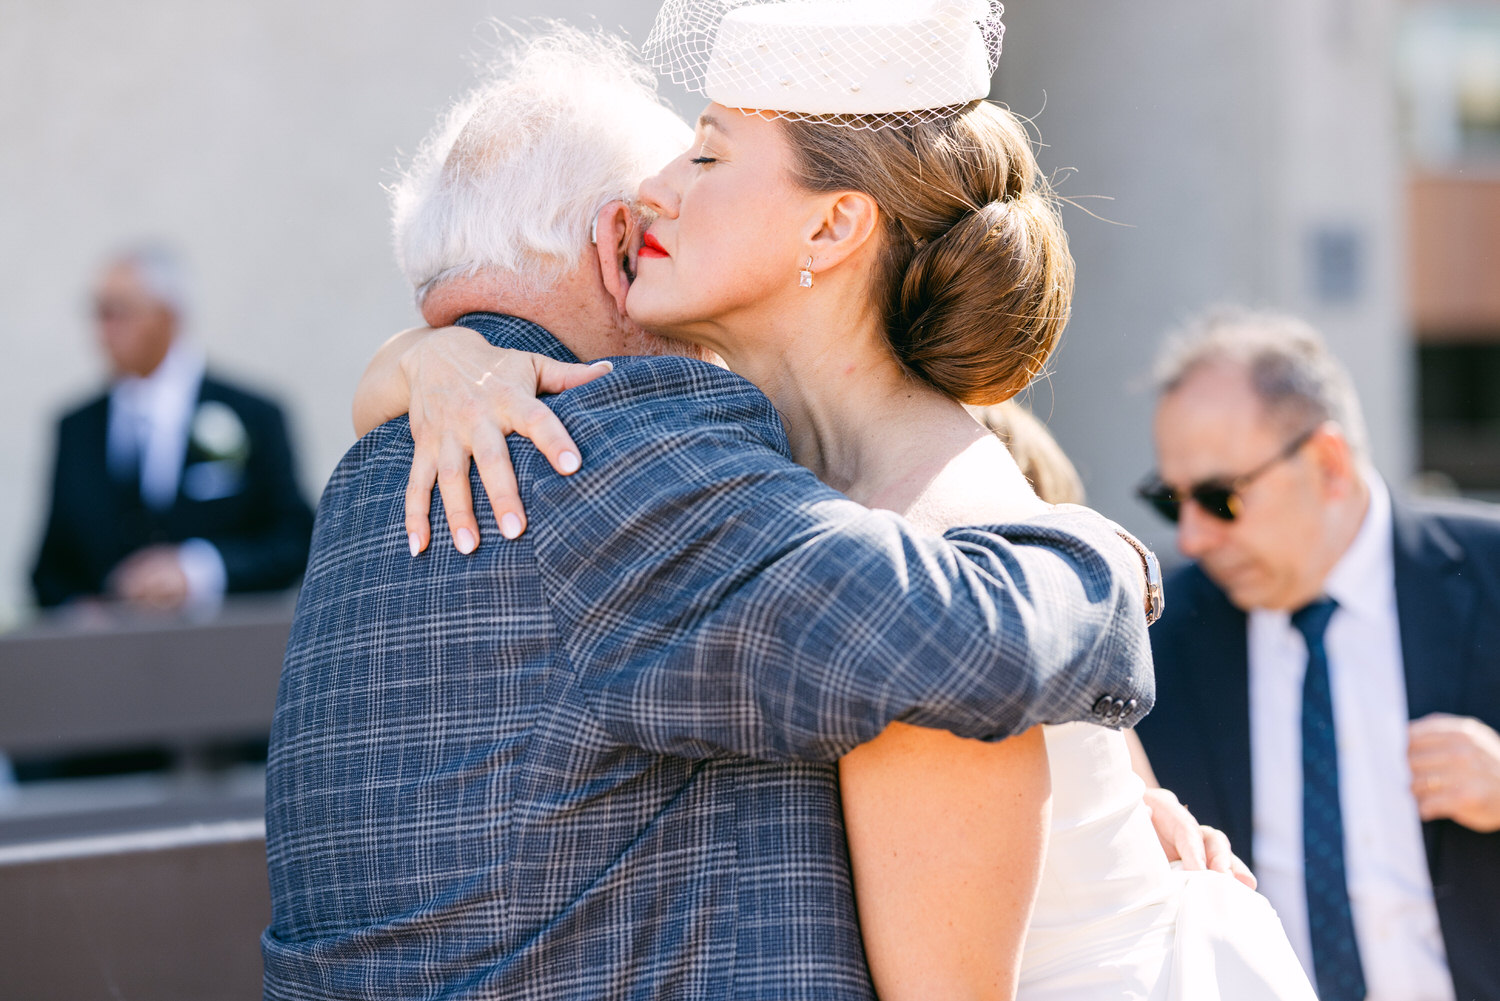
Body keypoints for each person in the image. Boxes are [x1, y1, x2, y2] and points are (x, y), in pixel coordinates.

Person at [360, 5, 1315, 999]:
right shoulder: (803, 497)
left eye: (708, 157)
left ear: (831, 223)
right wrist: (436, 357)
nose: (653, 192)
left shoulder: (926, 545)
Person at [1132, 309, 1500, 1001]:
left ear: (1329, 463)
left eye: (1219, 497)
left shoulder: (1491, 572)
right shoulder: (1157, 638)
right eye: (1169, 500)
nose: (1190, 536)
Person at [31, 245, 313, 614]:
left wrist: (199, 572)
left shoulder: (252, 414)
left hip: (221, 652)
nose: (102, 332)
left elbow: (295, 541)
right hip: (107, 660)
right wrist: (80, 608)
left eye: (117, 313)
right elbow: (49, 568)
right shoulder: (76, 428)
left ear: (167, 316)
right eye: (98, 315)